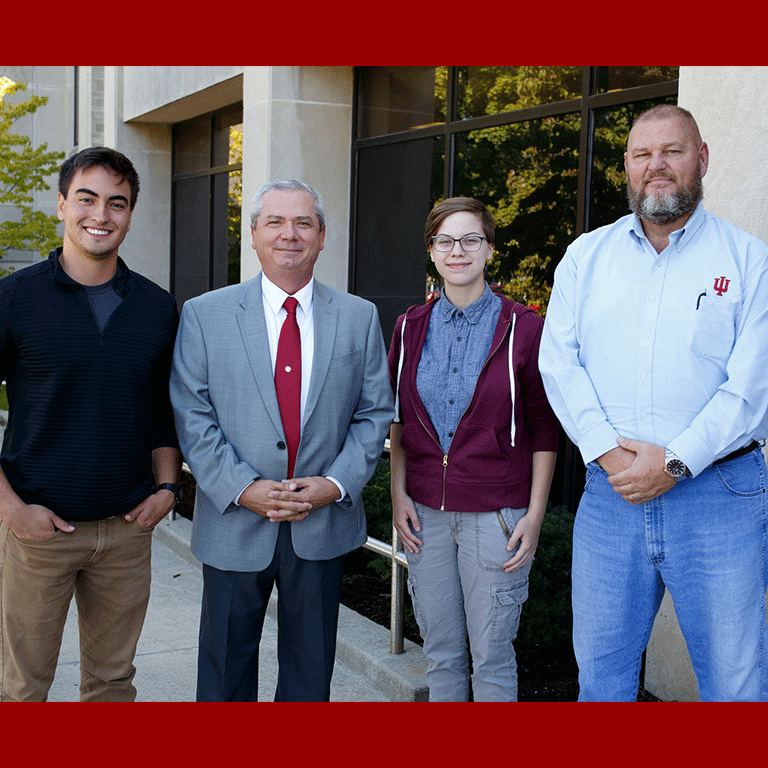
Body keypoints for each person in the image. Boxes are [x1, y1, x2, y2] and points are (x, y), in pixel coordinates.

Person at [539, 104, 768, 702]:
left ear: (702, 158)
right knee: (602, 679)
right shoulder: (586, 258)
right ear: (627, 167)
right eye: (643, 155)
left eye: (672, 151)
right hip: (610, 499)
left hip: (719, 497)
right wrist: (611, 455)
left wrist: (673, 462)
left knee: (736, 684)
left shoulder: (749, 262)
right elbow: (560, 365)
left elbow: (752, 386)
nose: (657, 166)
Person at [169, 179, 393, 702]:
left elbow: (374, 412)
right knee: (224, 678)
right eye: (275, 222)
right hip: (233, 523)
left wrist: (335, 485)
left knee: (309, 680)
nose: (289, 234)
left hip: (321, 527)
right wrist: (243, 487)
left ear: (321, 237)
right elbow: (191, 412)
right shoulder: (205, 314)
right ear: (253, 235)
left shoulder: (358, 318)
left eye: (303, 223)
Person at [0, 146, 182, 702]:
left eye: (116, 203)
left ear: (130, 214)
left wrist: (169, 488)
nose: (100, 214)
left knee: (111, 684)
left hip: (127, 532)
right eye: (86, 198)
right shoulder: (14, 298)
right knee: (22, 689)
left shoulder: (156, 306)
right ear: (61, 205)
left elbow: (161, 409)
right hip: (38, 532)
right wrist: (12, 511)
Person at [388, 197, 559, 701]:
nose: (457, 250)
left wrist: (535, 513)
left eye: (470, 240)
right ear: (432, 252)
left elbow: (545, 428)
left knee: (492, 657)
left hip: (496, 517)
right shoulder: (408, 327)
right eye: (445, 240)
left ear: (488, 250)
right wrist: (398, 493)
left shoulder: (523, 328)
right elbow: (397, 418)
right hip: (424, 516)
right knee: (440, 653)